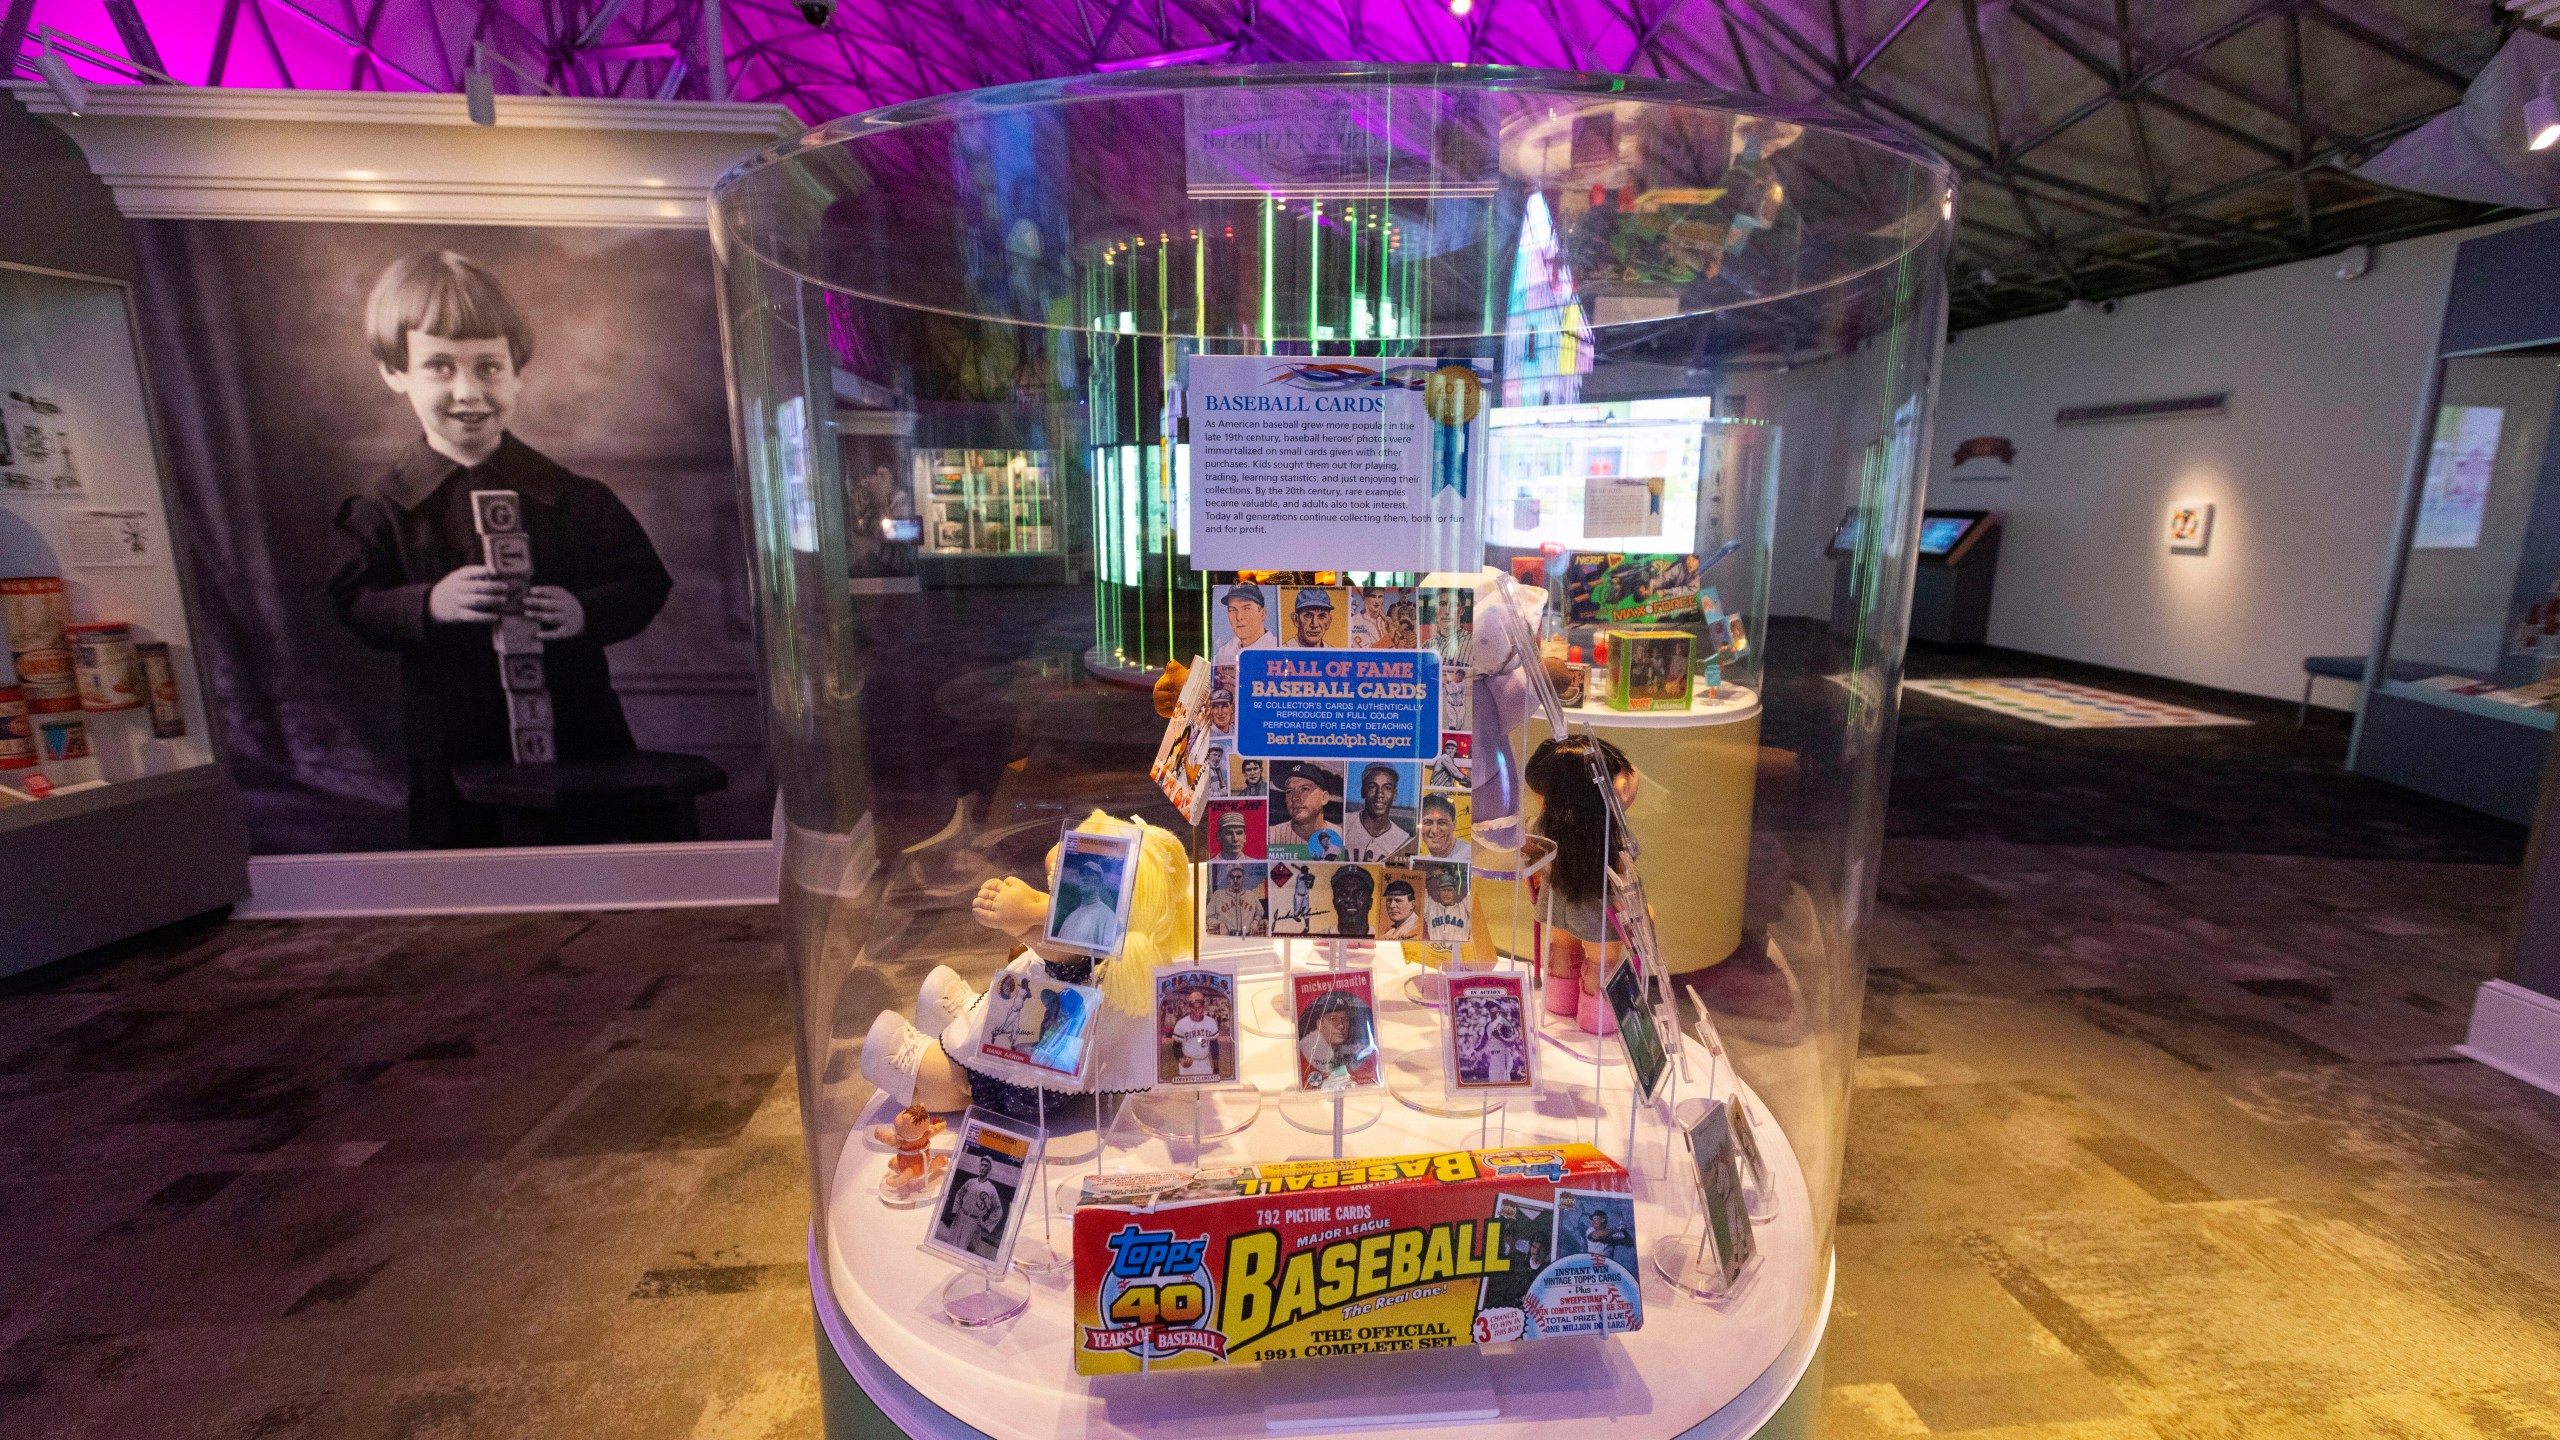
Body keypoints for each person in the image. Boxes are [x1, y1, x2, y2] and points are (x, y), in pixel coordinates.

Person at [328, 250, 673, 848]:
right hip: (453, 730)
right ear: (395, 372)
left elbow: (643, 580)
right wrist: (428, 604)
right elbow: (353, 600)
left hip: (576, 723)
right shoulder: (382, 511)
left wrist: (583, 610)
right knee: (468, 855)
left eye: (489, 367)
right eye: (440, 367)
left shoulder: (573, 498)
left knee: (592, 851)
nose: (469, 392)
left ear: (518, 372)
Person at [1526, 734, 1641, 1036]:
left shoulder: (1545, 825)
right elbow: (1627, 869)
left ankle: (1558, 1006)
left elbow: (1537, 859)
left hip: (1557, 909)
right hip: (1598, 918)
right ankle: (1596, 1023)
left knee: (1561, 953)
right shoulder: (1611, 834)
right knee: (1601, 967)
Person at [1297, 990, 1375, 1088]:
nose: (1341, 1025)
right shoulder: (1309, 1048)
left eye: (1345, 1019)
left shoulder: (1341, 1049)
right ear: (1319, 1024)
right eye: (1333, 1019)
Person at [1267, 761, 1343, 855]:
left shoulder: (1342, 836)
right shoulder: (1270, 836)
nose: (1295, 798)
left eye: (1305, 789)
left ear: (1324, 798)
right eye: (1289, 791)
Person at [1053, 853, 1125, 951]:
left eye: (1090, 874)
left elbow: (1110, 959)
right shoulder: (1070, 918)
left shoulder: (1108, 917)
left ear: (1099, 881)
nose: (1085, 878)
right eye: (1082, 874)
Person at [1345, 763, 1415, 860]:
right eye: (1372, 786)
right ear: (1363, 791)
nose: (1379, 794)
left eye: (1387, 788)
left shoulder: (1403, 841)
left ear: (1394, 795)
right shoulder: (1345, 824)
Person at [945, 1153, 1008, 1258]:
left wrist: (985, 1224)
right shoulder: (971, 1182)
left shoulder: (991, 1189)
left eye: (986, 1166)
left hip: (973, 1221)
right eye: (982, 1165)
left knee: (962, 1248)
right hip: (961, 1216)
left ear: (989, 1169)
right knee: (950, 1242)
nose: (982, 1167)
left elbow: (998, 1210)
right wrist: (956, 1210)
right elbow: (959, 1194)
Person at [1214, 584, 1277, 665]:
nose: (1239, 617)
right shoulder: (1225, 652)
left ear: (1262, 614)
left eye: (1246, 608)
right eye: (1232, 610)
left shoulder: (1278, 648)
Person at [1170, 989, 1224, 1081]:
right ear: (1190, 1007)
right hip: (1188, 1063)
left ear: (1203, 1006)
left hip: (1205, 1063)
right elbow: (1176, 1047)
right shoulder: (1181, 1023)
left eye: (1200, 1006)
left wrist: (1216, 1065)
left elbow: (1214, 1045)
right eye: (1194, 1006)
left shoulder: (1210, 1022)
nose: (1197, 1009)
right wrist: (1181, 1060)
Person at [1208, 864, 1264, 935]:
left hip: (1247, 936)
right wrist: (1219, 924)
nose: (1235, 880)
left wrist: (1256, 921)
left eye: (1239, 877)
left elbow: (1260, 912)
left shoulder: (1251, 895)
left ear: (1243, 878)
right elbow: (1209, 917)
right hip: (1227, 937)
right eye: (1232, 877)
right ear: (1227, 878)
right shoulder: (1217, 895)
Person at [1328, 865, 1378, 939]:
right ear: (1334, 902)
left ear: (1370, 903)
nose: (1350, 900)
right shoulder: (1319, 937)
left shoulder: (1383, 938)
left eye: (1359, 894)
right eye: (1343, 894)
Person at [1417, 793, 1469, 863]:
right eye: (1428, 823)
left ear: (1454, 825)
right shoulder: (1424, 862)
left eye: (1442, 822)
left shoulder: (1469, 855)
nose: (1434, 830)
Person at [1424, 865, 1470, 943]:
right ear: (1439, 892)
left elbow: (1472, 880)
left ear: (1455, 892)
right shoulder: (1432, 906)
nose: (1446, 894)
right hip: (1435, 951)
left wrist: (1460, 873)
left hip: (1458, 951)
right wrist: (1434, 873)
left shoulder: (1463, 907)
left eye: (1449, 890)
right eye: (1443, 890)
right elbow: (1419, 881)